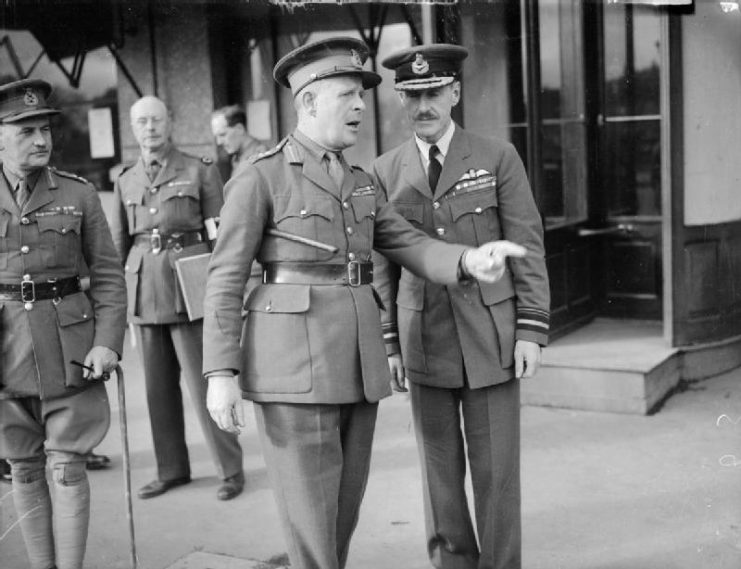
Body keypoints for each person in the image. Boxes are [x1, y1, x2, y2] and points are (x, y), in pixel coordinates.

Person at [202, 37, 528, 569]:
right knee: (311, 523)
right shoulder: (260, 176)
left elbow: (408, 243)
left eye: (361, 95)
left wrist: (469, 262)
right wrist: (220, 371)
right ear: (308, 102)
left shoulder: (358, 183)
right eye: (347, 95)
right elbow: (224, 277)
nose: (360, 106)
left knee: (341, 515)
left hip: (356, 368)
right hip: (293, 371)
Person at [372, 44, 551, 569]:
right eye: (411, 96)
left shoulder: (497, 157)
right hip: (423, 337)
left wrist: (530, 330)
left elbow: (528, 245)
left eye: (432, 93)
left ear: (454, 92)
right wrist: (389, 343)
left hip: (491, 337)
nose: (422, 106)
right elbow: (384, 265)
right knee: (439, 474)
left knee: (497, 473)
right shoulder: (385, 170)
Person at [0, 78, 127, 569]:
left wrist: (108, 344)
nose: (41, 139)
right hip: (6, 350)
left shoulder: (79, 193)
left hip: (70, 349)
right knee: (24, 467)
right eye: (26, 130)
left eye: (45, 128)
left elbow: (110, 277)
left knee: (69, 468)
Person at [110, 96, 244, 501]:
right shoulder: (124, 179)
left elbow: (222, 239)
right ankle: (172, 469)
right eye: (141, 122)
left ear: (170, 123)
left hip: (189, 289)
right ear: (132, 128)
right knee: (156, 390)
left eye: (156, 120)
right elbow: (119, 244)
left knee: (207, 385)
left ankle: (230, 469)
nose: (149, 128)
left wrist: (224, 297)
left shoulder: (199, 170)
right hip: (145, 292)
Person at [210, 105, 268, 171]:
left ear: (239, 128)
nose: (219, 142)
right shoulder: (236, 158)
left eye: (222, 134)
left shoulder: (260, 156)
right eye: (216, 137)